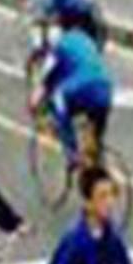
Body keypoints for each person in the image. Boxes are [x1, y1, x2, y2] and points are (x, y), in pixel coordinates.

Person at [31, 166, 133, 264]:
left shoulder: (111, 236)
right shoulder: (76, 240)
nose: (110, 202)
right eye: (102, 196)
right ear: (88, 202)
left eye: (112, 195)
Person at [33, 23, 113, 170]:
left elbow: (47, 75)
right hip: (105, 87)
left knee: (59, 102)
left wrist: (36, 98)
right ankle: (96, 161)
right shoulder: (86, 40)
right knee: (95, 135)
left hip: (81, 88)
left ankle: (72, 154)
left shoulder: (58, 47)